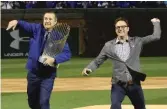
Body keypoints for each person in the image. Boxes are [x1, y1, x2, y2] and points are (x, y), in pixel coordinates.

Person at [82, 17, 161, 109]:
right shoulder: (109, 46)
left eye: (123, 26)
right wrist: (89, 68)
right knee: (115, 106)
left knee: (141, 107)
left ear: (128, 28)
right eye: (117, 27)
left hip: (134, 84)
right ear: (115, 30)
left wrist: (156, 23)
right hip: (118, 85)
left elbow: (156, 36)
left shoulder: (137, 41)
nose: (120, 29)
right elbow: (97, 61)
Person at [6, 11, 71, 109]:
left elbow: (67, 53)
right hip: (33, 73)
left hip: (48, 75)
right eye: (45, 19)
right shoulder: (37, 29)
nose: (47, 21)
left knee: (44, 101)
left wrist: (54, 60)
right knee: (32, 102)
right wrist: (17, 22)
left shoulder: (59, 37)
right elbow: (25, 25)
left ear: (55, 22)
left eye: (50, 19)